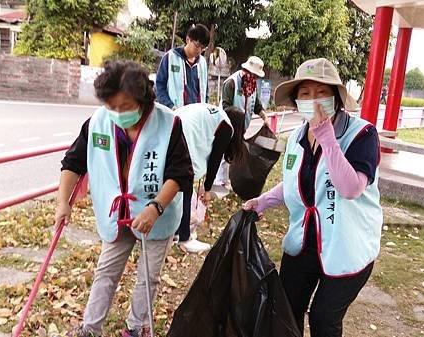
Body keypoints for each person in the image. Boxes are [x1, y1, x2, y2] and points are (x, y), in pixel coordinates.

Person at [243, 58, 382, 337]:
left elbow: (351, 188)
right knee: (286, 310)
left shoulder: (362, 135)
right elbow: (295, 182)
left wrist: (327, 138)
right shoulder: (296, 137)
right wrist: (264, 201)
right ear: (296, 101)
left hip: (346, 246)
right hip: (304, 242)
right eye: (305, 94)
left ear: (336, 98)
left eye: (322, 92)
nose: (313, 100)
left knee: (323, 319)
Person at [57, 60, 193, 337]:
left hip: (157, 215)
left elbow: (180, 174)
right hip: (117, 214)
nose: (118, 113)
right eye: (112, 106)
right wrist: (63, 202)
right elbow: (73, 163)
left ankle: (136, 327)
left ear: (142, 99)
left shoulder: (168, 123)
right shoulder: (98, 122)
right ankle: (90, 328)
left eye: (126, 106)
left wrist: (155, 208)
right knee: (105, 271)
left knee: (148, 276)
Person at [173, 103, 247, 253]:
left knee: (178, 184)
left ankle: (176, 230)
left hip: (172, 124)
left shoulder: (215, 115)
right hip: (182, 132)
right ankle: (184, 237)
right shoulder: (226, 126)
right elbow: (215, 159)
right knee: (185, 182)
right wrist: (207, 189)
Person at [215, 56, 267, 187]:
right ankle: (219, 181)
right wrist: (238, 115)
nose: (255, 78)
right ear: (247, 71)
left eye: (256, 77)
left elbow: (256, 104)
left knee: (235, 152)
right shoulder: (231, 83)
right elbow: (225, 106)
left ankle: (229, 179)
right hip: (228, 125)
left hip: (242, 126)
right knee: (224, 152)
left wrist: (263, 116)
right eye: (254, 75)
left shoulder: (252, 86)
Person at [156, 24, 210, 110]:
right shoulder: (170, 58)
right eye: (197, 45)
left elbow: (205, 91)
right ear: (188, 39)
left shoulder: (202, 63)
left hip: (197, 115)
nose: (199, 50)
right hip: (176, 113)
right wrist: (170, 106)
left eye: (202, 48)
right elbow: (159, 87)